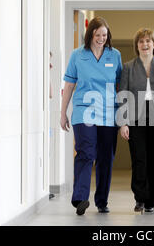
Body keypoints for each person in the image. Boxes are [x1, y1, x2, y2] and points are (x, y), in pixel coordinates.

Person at [60, 17, 122, 215]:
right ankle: (80, 198)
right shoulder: (77, 55)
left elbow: (121, 86)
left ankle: (102, 201)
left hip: (109, 113)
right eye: (97, 35)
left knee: (106, 157)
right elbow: (69, 85)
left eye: (104, 35)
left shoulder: (115, 55)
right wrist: (63, 113)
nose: (101, 39)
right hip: (84, 110)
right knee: (86, 152)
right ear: (90, 35)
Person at [118, 28, 154, 213]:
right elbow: (123, 94)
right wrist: (123, 122)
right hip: (135, 119)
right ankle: (140, 198)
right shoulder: (128, 67)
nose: (145, 44)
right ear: (137, 45)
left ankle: (152, 201)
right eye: (141, 41)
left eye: (149, 41)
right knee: (139, 159)